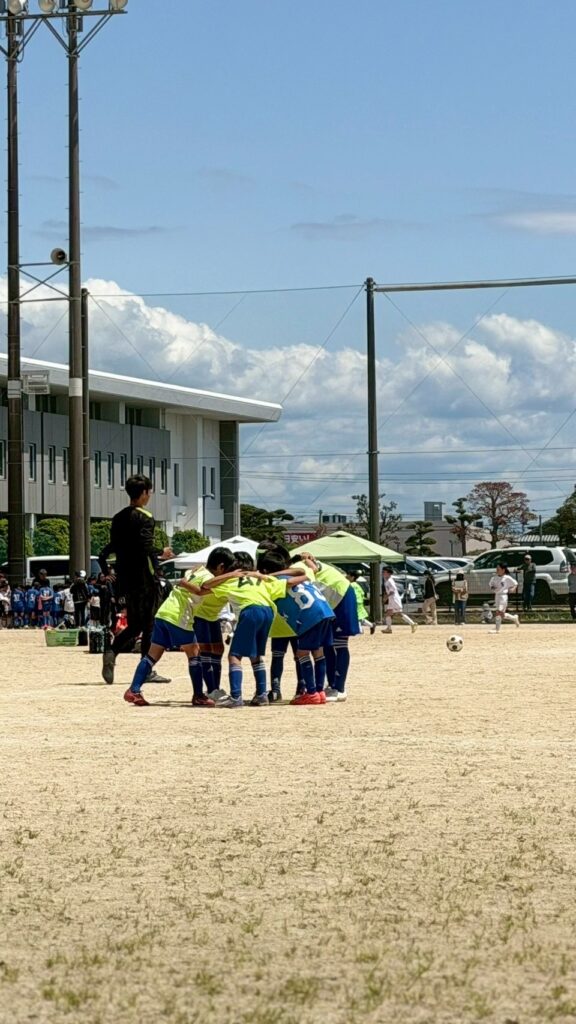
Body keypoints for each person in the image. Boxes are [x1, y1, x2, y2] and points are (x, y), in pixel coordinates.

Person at [99, 474, 174, 685]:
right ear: (144, 493)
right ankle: (146, 669)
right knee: (150, 624)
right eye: (149, 492)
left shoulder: (118, 517)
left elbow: (111, 547)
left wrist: (107, 571)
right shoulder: (145, 517)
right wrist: (162, 553)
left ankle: (112, 651)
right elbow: (145, 547)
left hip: (126, 578)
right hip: (145, 577)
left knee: (134, 625)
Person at [258, 548, 335, 705]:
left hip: (309, 615)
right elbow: (306, 570)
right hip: (326, 611)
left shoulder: (272, 583)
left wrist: (268, 576)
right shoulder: (295, 574)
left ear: (264, 570)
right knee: (318, 651)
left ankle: (311, 692)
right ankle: (320, 691)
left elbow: (286, 584)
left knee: (302, 653)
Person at [381, 566, 417, 634]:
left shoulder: (390, 581)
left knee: (398, 613)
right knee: (389, 613)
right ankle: (389, 628)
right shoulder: (387, 580)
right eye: (383, 572)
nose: (383, 573)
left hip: (394, 599)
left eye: (384, 572)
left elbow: (392, 591)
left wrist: (386, 597)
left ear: (389, 573)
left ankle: (412, 623)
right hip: (392, 599)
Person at [488, 563, 520, 633]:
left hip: (503, 596)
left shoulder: (507, 578)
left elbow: (515, 583)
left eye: (498, 569)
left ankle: (497, 629)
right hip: (497, 596)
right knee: (501, 614)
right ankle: (514, 618)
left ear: (503, 570)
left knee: (498, 612)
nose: (497, 570)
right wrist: (493, 587)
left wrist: (512, 589)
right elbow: (491, 585)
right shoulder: (494, 578)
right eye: (496, 569)